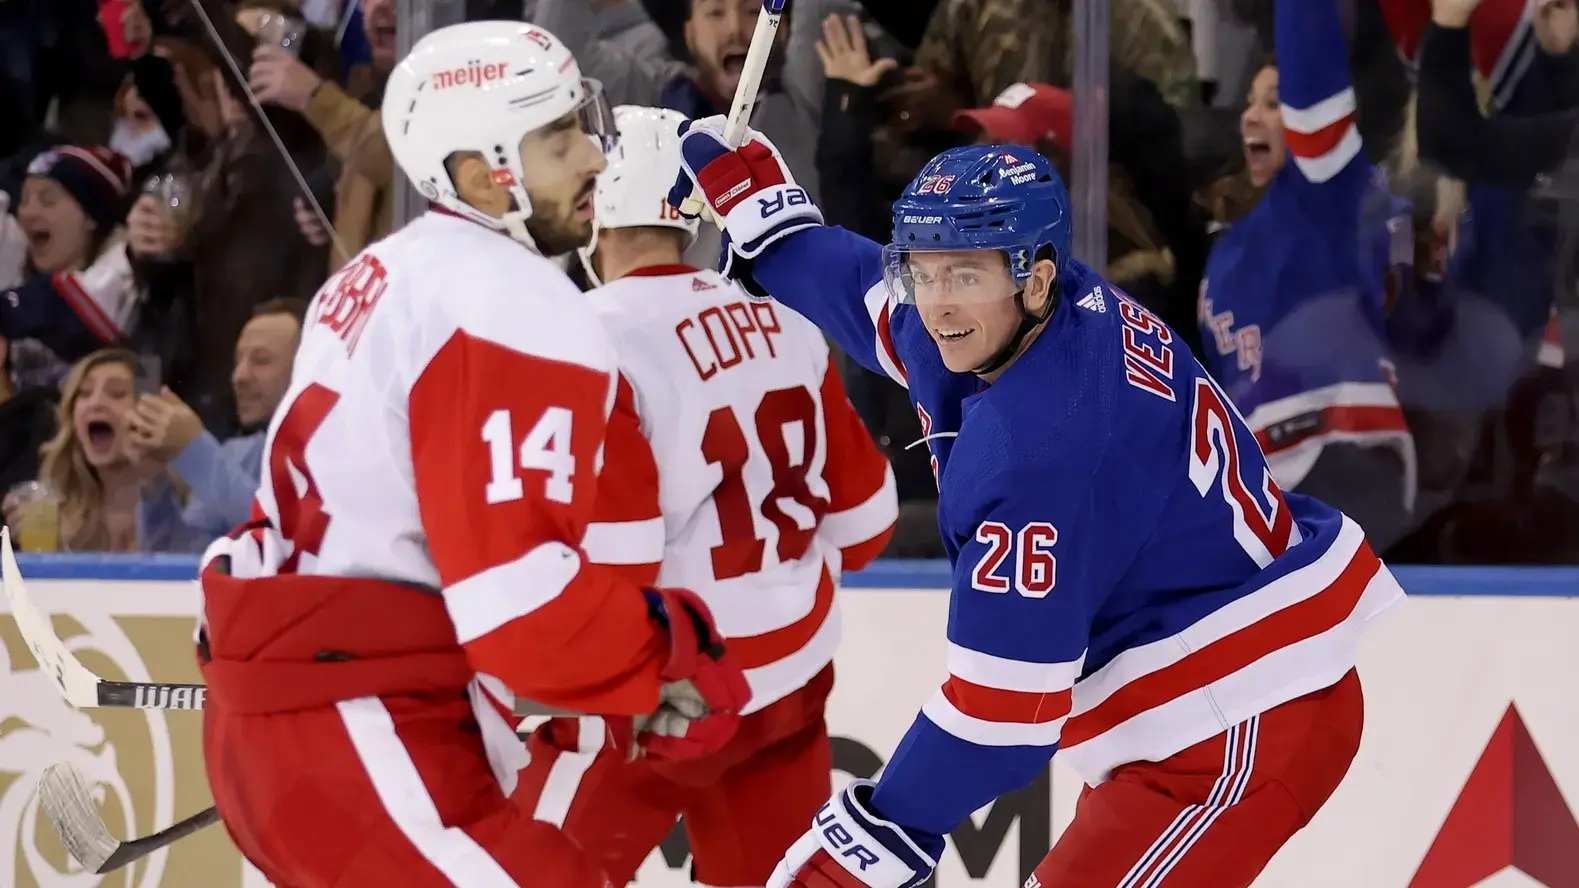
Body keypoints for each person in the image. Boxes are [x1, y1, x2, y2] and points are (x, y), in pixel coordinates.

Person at [666, 114, 1404, 886]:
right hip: (1197, 692)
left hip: (1236, 720)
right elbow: (870, 299)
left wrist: (879, 834)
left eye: (965, 276)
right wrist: (767, 220)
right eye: (923, 269)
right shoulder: (1037, 311)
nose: (938, 303)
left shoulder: (1040, 449)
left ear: (1035, 275)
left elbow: (1003, 715)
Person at [194, 22, 751, 888]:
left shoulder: (372, 275)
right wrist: (663, 652)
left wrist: (617, 678)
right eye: (558, 138)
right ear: (476, 173)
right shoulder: (512, 302)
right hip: (360, 734)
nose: (595, 158)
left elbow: (437, 567)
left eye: (582, 125)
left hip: (285, 722)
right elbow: (515, 608)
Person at [514, 105, 897, 887]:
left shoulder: (584, 336)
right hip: (788, 685)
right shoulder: (785, 323)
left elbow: (618, 564)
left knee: (513, 872)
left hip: (658, 699)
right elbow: (867, 528)